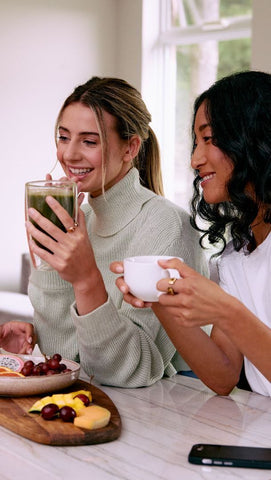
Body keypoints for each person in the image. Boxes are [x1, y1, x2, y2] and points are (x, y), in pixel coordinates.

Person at [25, 76, 208, 388]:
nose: (68, 155)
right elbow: (66, 357)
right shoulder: (81, 218)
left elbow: (130, 371)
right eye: (63, 137)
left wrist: (85, 279)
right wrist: (49, 266)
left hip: (177, 415)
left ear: (130, 148)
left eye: (89, 141)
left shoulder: (166, 226)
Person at [112, 71, 271, 396]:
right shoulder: (235, 255)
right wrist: (157, 296)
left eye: (209, 139)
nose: (195, 160)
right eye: (195, 143)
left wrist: (224, 309)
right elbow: (223, 375)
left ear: (253, 137)